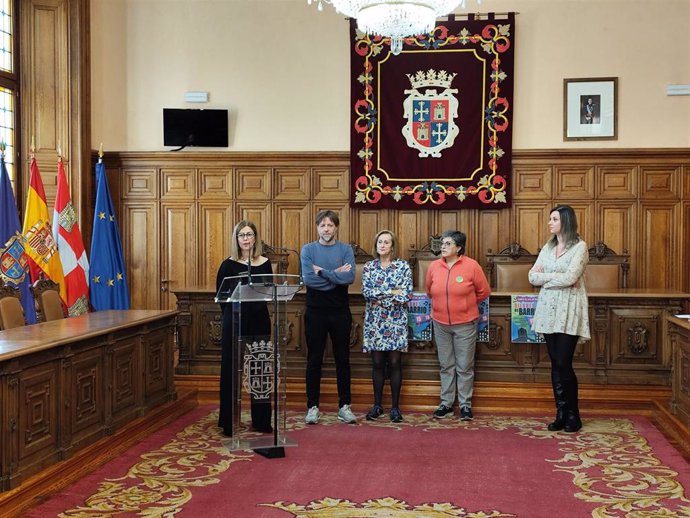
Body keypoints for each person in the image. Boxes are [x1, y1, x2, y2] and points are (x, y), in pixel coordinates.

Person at [528, 205, 590, 433]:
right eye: (549, 219)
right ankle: (561, 413)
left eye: (554, 219)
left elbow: (572, 277)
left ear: (565, 221)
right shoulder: (548, 246)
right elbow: (532, 276)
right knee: (555, 364)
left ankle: (574, 414)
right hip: (547, 310)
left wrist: (548, 279)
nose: (549, 223)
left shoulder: (580, 247)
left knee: (564, 362)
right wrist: (556, 277)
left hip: (569, 309)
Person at [215, 220, 273, 436]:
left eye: (249, 235)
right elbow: (221, 297)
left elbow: (269, 291)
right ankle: (229, 421)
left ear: (255, 238)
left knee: (260, 369)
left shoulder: (265, 262)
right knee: (232, 369)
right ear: (236, 239)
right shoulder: (228, 265)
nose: (246, 239)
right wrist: (233, 312)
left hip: (260, 319)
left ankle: (261, 420)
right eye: (242, 235)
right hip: (236, 319)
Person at [425, 230, 491, 421]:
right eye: (442, 243)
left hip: (465, 324)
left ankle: (465, 405)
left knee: (464, 366)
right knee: (446, 365)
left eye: (447, 244)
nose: (443, 247)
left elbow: (483, 292)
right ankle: (445, 403)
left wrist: (465, 306)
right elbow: (429, 291)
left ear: (459, 247)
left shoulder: (472, 266)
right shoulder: (434, 266)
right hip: (440, 323)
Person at [300, 210, 357, 424]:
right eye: (322, 225)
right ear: (317, 228)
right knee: (314, 359)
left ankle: (344, 406)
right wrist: (335, 274)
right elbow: (309, 280)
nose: (326, 229)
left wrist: (322, 272)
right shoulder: (308, 250)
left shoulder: (345, 249)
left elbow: (349, 277)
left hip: (340, 311)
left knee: (343, 359)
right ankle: (312, 406)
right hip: (315, 311)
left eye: (330, 225)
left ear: (336, 228)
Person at [361, 230, 413, 423]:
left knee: (394, 364)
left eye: (386, 242)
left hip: (396, 321)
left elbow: (405, 294)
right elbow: (367, 293)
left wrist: (382, 295)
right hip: (375, 322)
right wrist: (392, 291)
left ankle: (395, 408)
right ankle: (377, 405)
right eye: (379, 242)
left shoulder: (403, 266)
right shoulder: (369, 267)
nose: (382, 245)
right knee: (377, 364)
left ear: (393, 246)